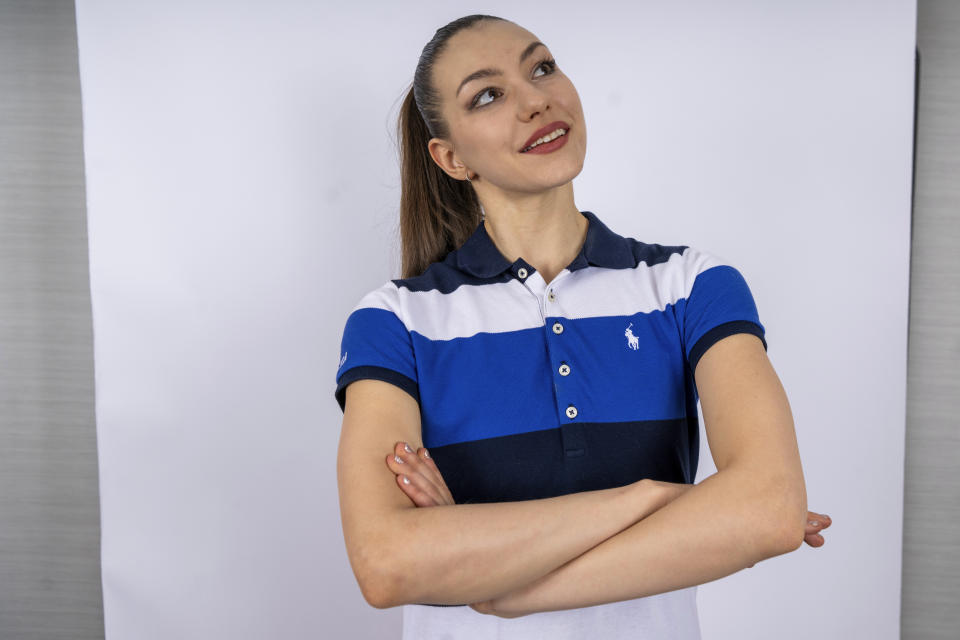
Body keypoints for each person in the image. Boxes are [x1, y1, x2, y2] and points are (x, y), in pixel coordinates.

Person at [334, 14, 832, 639]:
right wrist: (653, 499)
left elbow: (766, 510)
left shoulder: (691, 285)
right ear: (450, 157)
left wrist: (502, 588)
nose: (536, 100)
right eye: (488, 95)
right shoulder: (396, 321)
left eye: (541, 67)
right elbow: (387, 562)